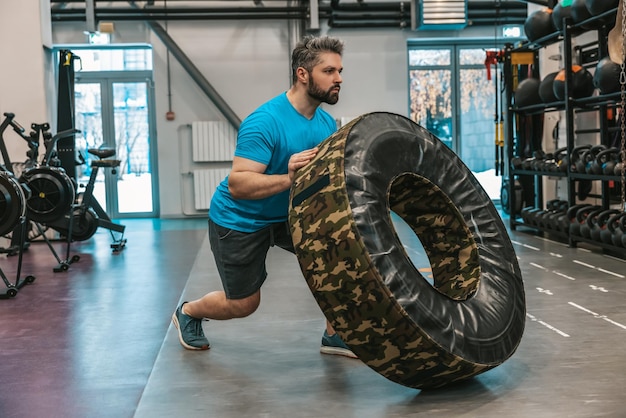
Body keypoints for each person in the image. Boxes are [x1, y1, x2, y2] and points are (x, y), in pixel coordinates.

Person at [172, 34, 356, 359]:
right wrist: (288, 178)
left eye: (339, 70)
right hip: (240, 219)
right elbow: (238, 184)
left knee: (337, 259)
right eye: (329, 71)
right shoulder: (265, 121)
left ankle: (335, 334)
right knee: (243, 304)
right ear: (303, 74)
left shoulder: (326, 124)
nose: (339, 78)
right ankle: (189, 312)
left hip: (288, 215)